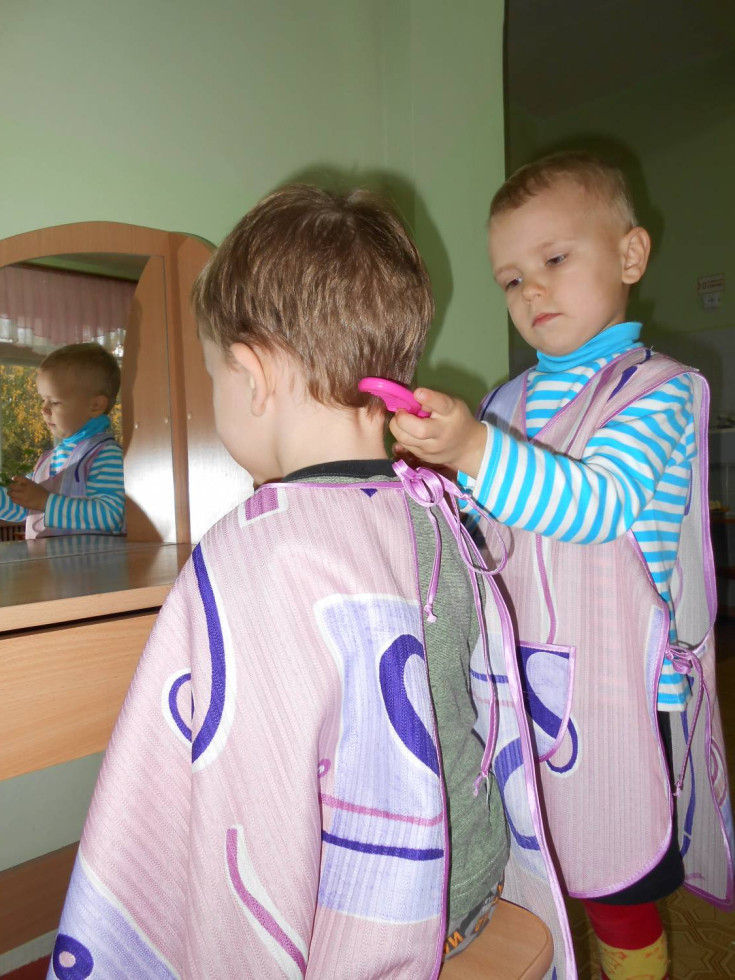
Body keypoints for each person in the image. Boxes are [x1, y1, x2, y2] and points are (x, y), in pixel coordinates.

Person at [48, 185, 573, 980]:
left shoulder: (261, 550)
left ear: (252, 375)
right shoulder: (436, 511)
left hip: (379, 935)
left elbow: (243, 820)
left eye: (215, 376)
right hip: (472, 890)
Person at [390, 151, 735, 980]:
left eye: (552, 261)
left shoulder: (659, 393)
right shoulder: (505, 404)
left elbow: (595, 506)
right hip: (521, 679)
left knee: (614, 881)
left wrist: (474, 450)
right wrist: (433, 478)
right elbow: (488, 529)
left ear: (628, 256)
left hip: (621, 693)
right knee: (533, 849)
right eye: (510, 280)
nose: (530, 292)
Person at [0, 342, 125, 537]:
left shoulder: (105, 454)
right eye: (43, 400)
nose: (44, 409)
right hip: (50, 565)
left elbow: (110, 516)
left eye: (55, 402)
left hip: (94, 566)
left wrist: (45, 501)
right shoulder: (47, 460)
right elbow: (23, 508)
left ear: (95, 405)